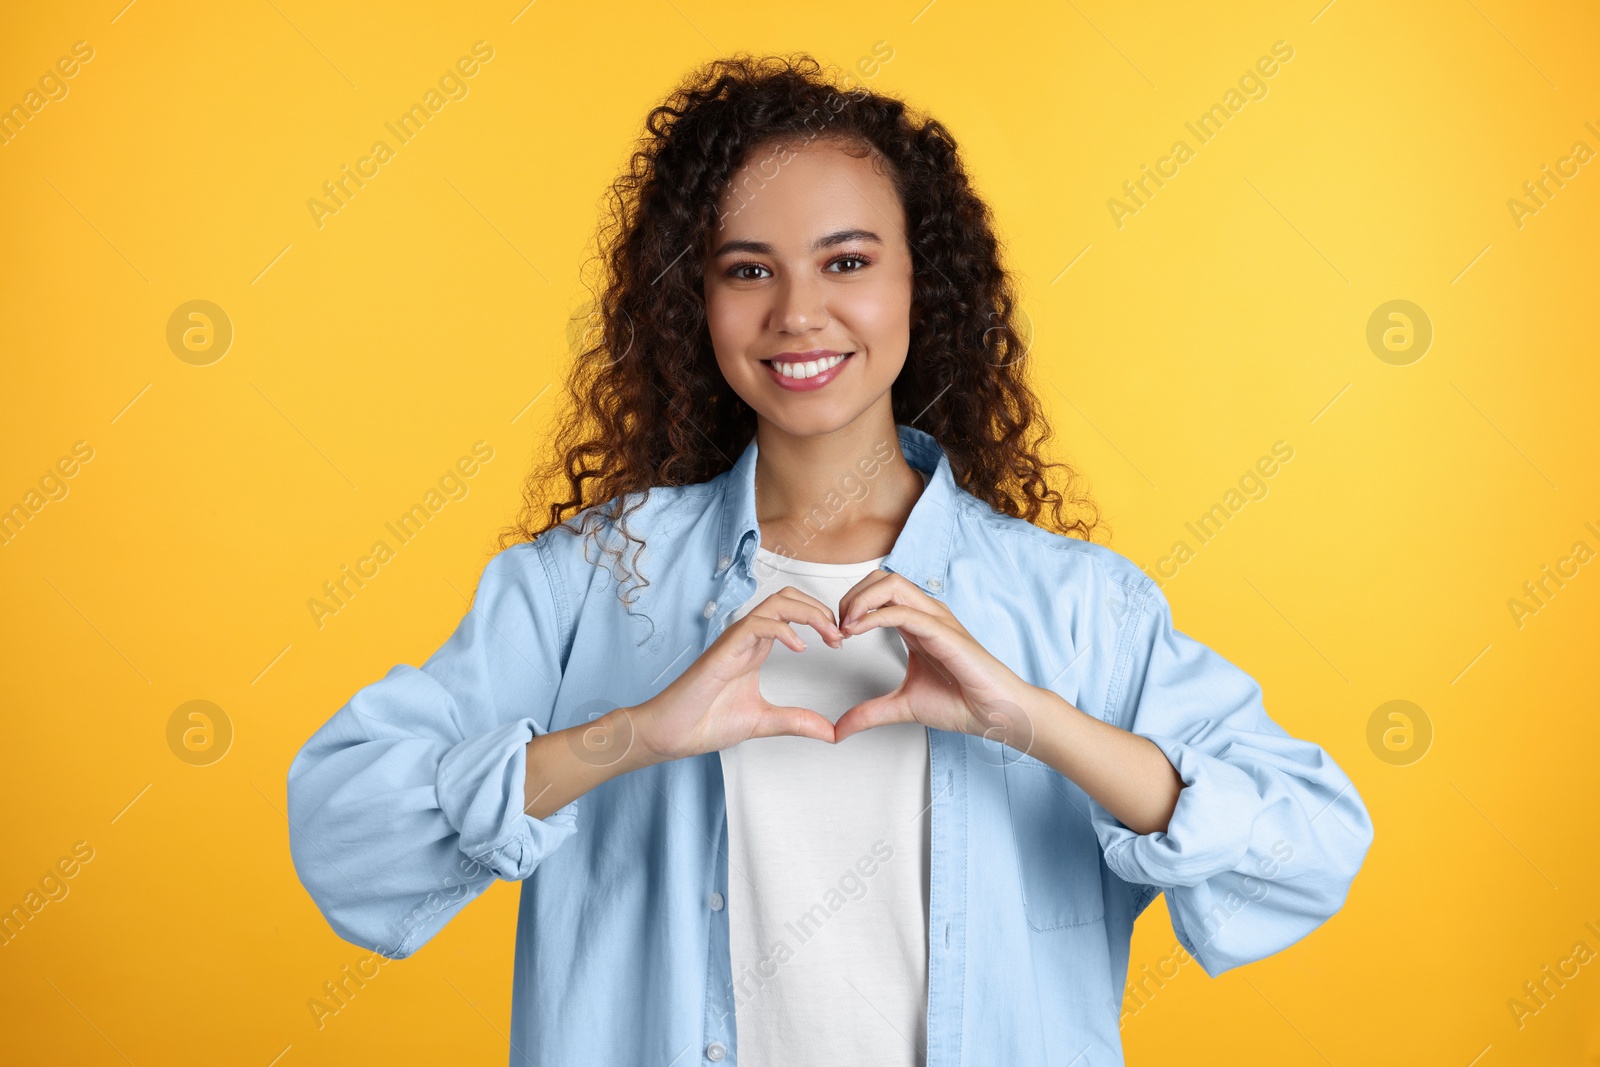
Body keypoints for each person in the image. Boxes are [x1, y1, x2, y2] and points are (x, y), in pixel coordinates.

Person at [286, 53, 1374, 1067]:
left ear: (921, 285)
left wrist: (1036, 722)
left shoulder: (1076, 604)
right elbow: (344, 829)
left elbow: (1308, 847)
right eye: (747, 269)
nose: (798, 312)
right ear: (693, 302)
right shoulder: (584, 583)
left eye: (846, 261)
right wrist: (631, 734)